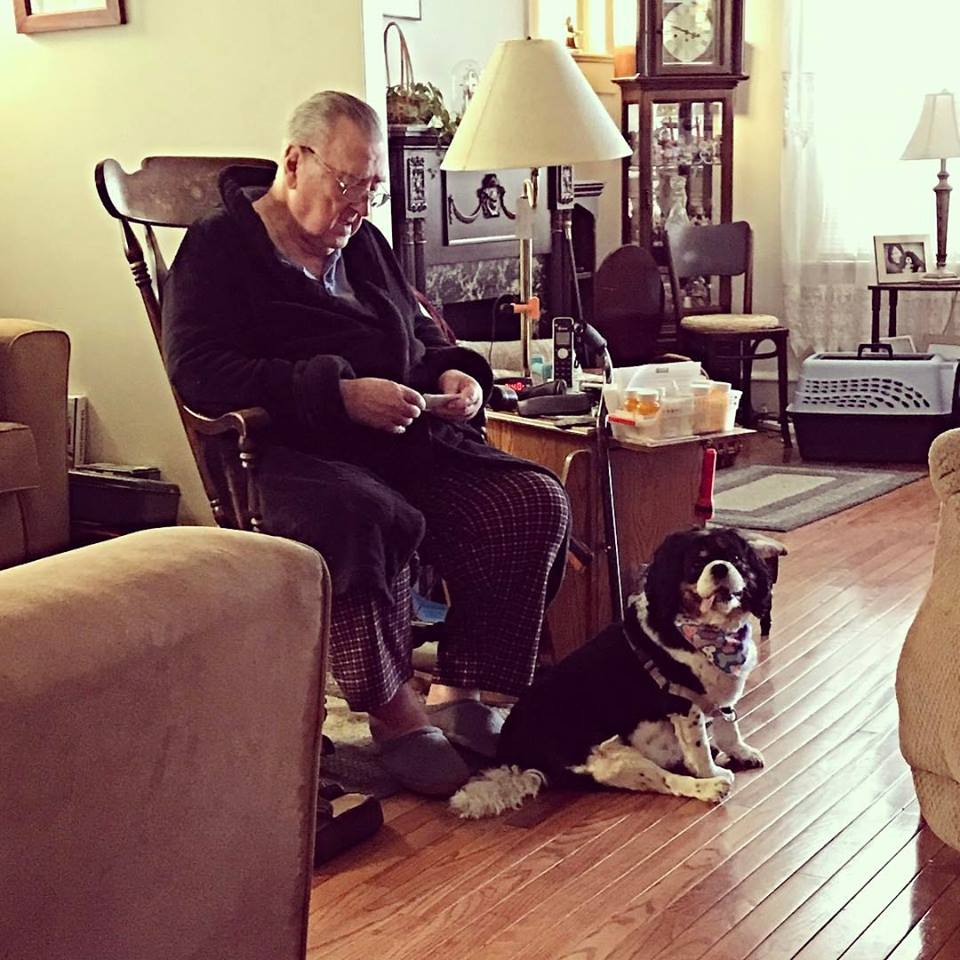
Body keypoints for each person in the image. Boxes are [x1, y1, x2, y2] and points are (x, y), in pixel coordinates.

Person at [162, 91, 570, 797]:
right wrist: (340, 394)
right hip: (292, 453)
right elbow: (198, 371)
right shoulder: (220, 248)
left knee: (530, 500)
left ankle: (463, 690)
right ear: (295, 163)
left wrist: (453, 374)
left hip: (401, 441)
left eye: (372, 188)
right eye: (349, 184)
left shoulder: (366, 245)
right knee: (364, 517)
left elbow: (419, 334)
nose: (359, 206)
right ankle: (394, 716)